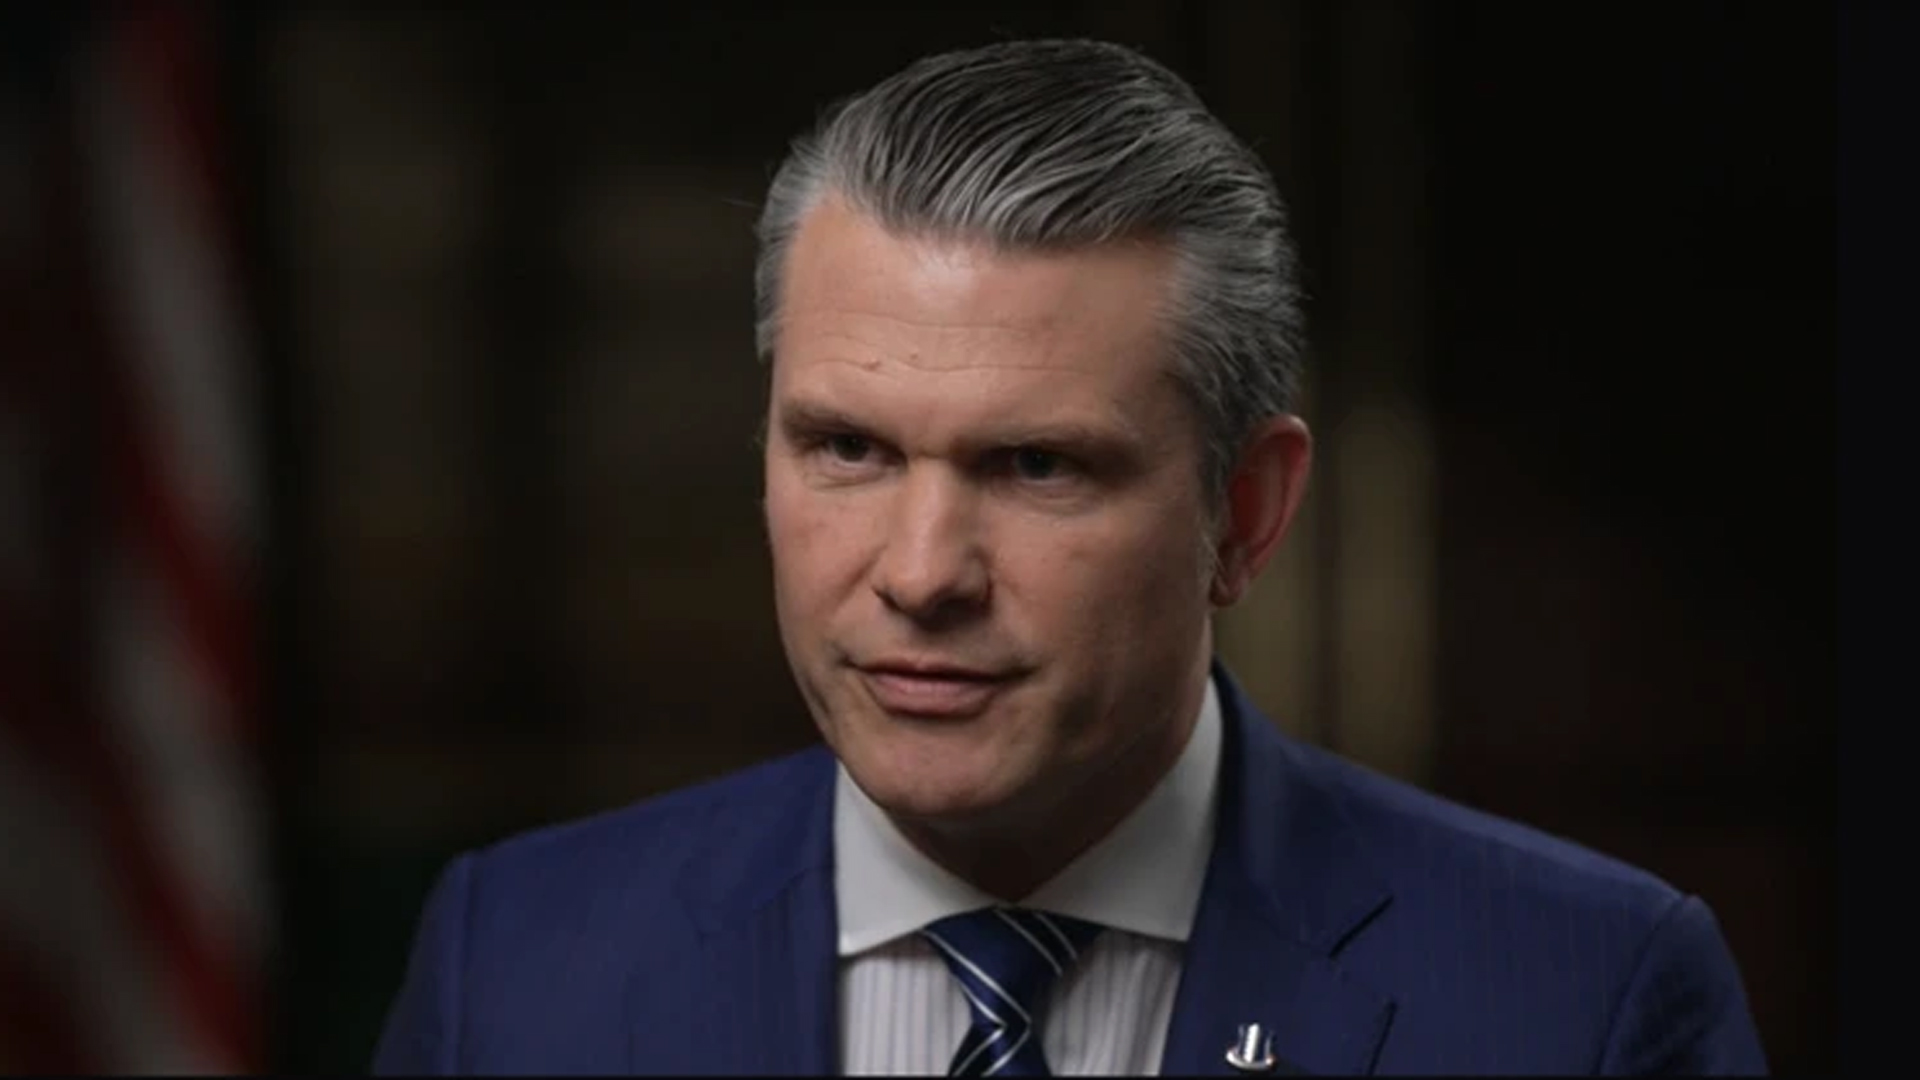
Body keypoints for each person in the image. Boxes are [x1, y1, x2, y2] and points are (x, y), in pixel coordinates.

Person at [370, 38, 1768, 1076]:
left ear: (1246, 513)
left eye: (1037, 466)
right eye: (848, 448)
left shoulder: (1581, 1000)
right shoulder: (518, 961)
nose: (922, 572)